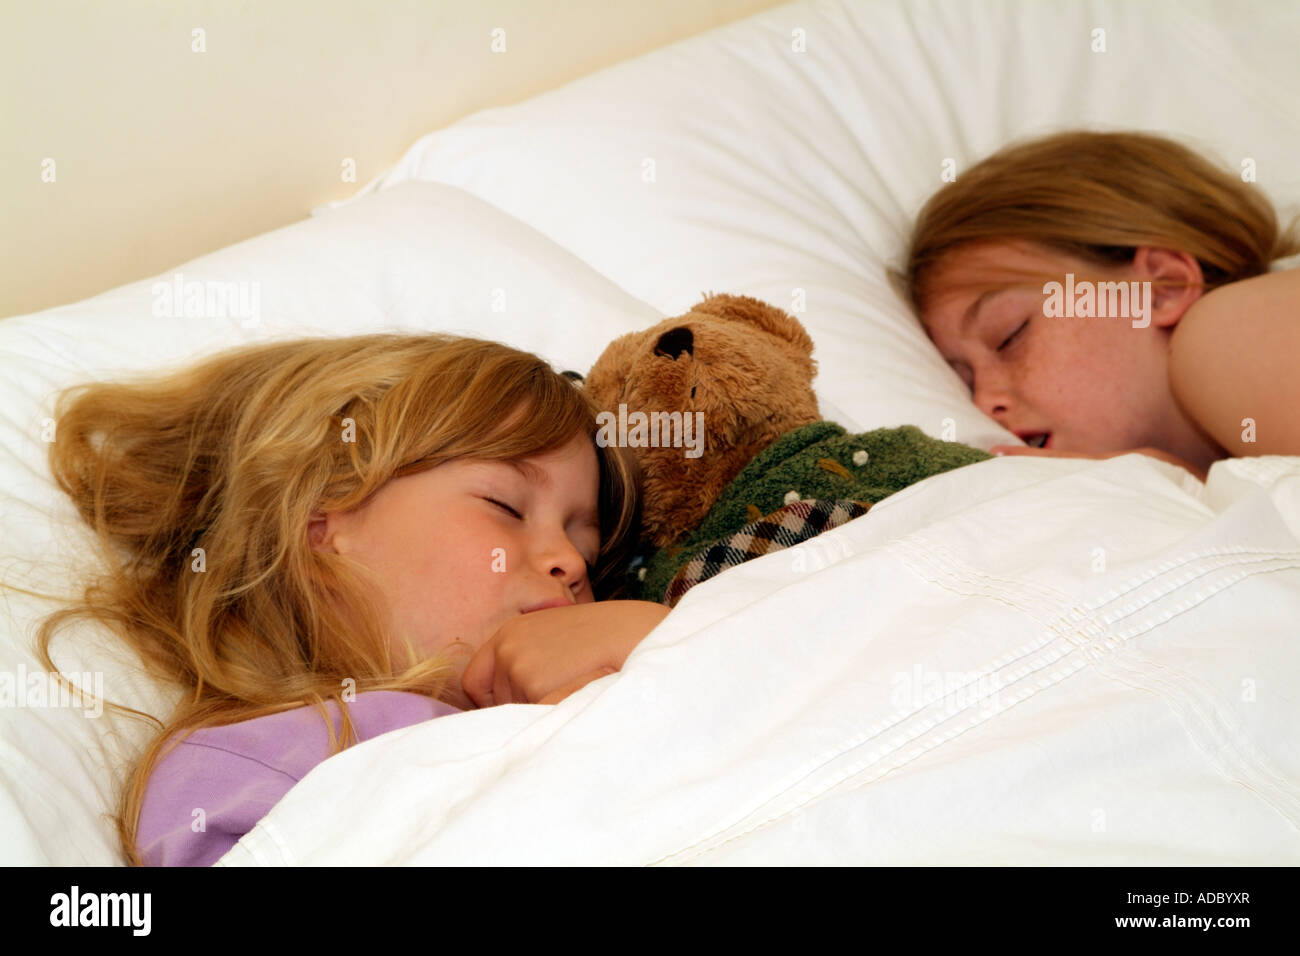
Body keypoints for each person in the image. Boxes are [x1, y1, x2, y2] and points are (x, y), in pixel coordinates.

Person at [34, 332, 669, 865]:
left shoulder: (619, 668)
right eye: (505, 506)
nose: (567, 561)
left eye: (584, 547)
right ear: (321, 524)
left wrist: (654, 645)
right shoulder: (249, 762)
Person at [896, 130, 1300, 481]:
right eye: (965, 384)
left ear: (1163, 287)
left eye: (1009, 337)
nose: (985, 403)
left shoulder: (1222, 331)